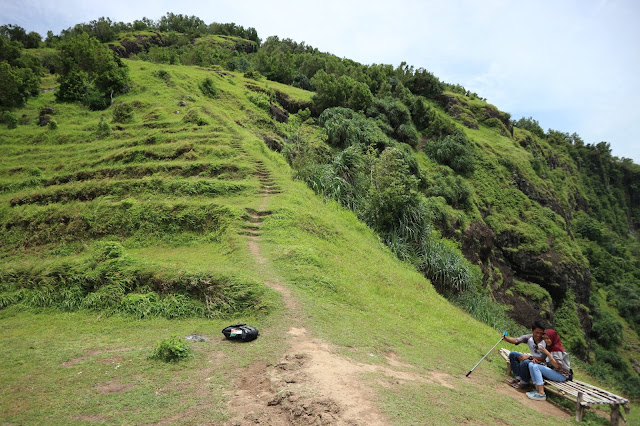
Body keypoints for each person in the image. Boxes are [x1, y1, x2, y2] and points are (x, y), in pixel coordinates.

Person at [526, 329, 572, 401]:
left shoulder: (557, 348)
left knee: (535, 367)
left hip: (561, 375)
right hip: (555, 372)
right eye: (545, 339)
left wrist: (547, 353)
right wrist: (538, 361)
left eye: (548, 339)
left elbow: (557, 366)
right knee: (532, 364)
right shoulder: (551, 347)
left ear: (553, 338)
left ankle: (541, 394)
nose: (547, 340)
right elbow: (549, 364)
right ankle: (537, 389)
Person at [502, 321, 547, 389]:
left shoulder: (546, 341)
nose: (539, 335)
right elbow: (517, 340)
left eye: (541, 333)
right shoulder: (529, 338)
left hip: (541, 363)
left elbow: (543, 358)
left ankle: (524, 382)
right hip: (533, 359)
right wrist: (507, 339)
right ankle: (518, 378)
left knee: (525, 362)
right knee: (513, 355)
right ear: (532, 331)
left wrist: (529, 357)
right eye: (537, 332)